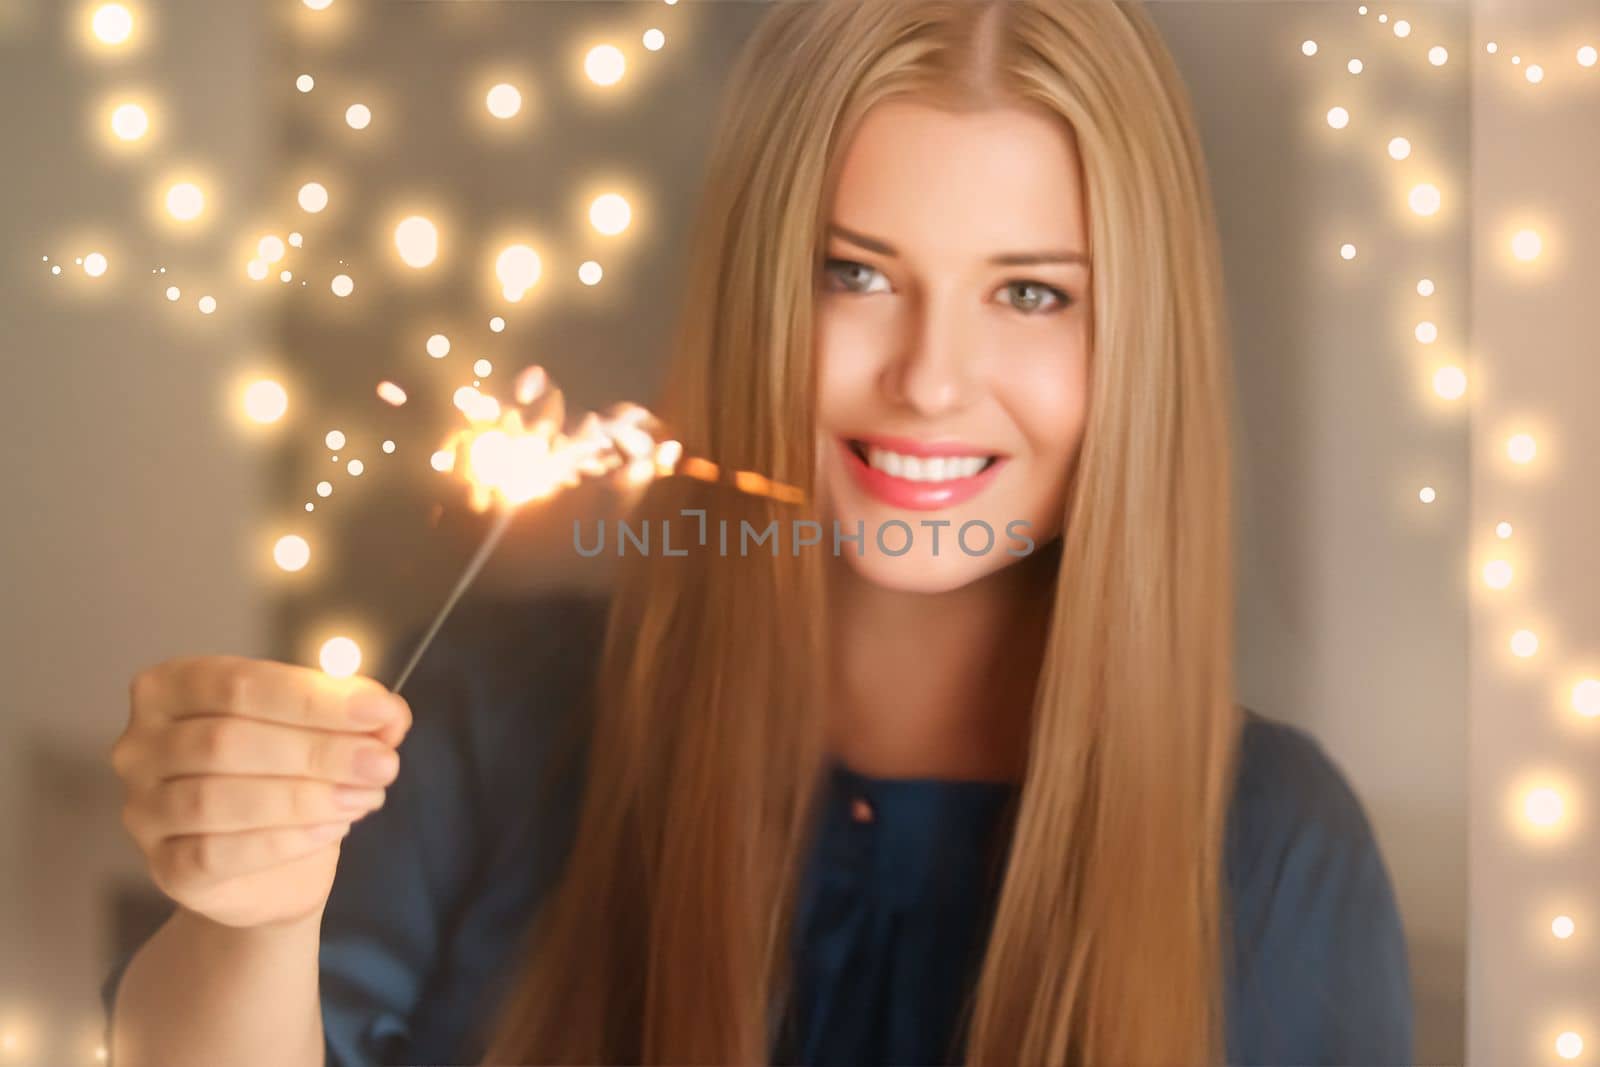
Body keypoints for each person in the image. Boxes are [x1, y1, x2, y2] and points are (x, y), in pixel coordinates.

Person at [100, 1, 1414, 1064]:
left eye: (1029, 293)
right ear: (752, 296)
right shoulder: (485, 725)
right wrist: (250, 923)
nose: (931, 380)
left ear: (1141, 347)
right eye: (854, 275)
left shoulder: (1278, 848)